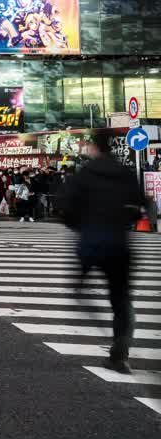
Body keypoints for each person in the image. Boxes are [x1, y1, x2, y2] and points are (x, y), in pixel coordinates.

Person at [58, 131, 146, 374]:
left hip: (90, 244)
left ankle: (107, 334)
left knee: (79, 292)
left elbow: (65, 209)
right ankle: (119, 352)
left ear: (94, 147)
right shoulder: (126, 173)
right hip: (118, 245)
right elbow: (138, 208)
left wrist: (82, 224)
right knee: (121, 300)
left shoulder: (85, 174)